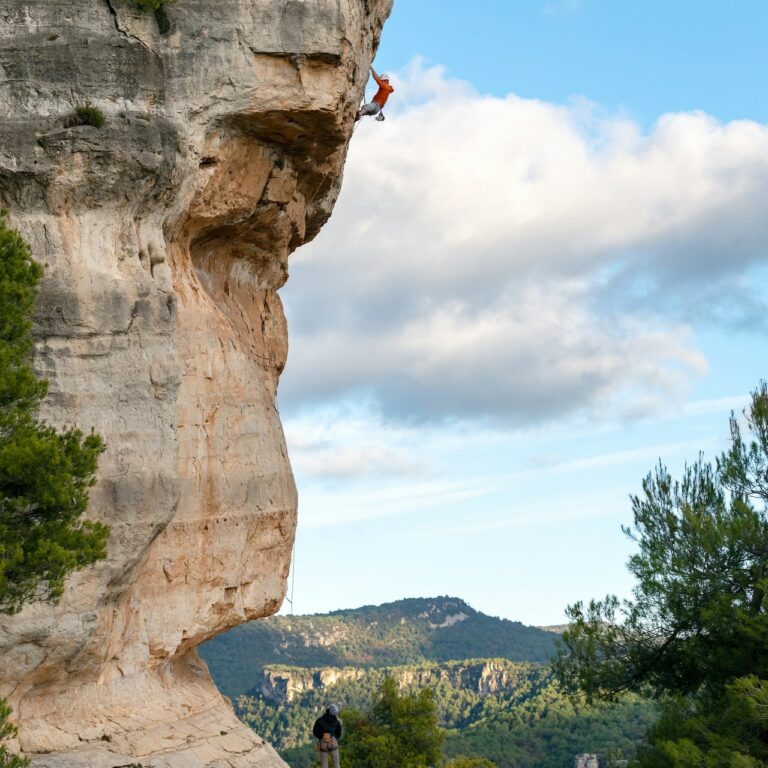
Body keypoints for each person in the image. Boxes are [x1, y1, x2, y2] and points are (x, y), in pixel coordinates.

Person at [312, 703, 342, 768]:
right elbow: (339, 734)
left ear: (328, 709)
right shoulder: (337, 723)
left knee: (324, 765)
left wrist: (321, 737)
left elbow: (315, 732)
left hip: (323, 742)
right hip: (333, 742)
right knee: (336, 764)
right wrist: (334, 737)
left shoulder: (320, 720)